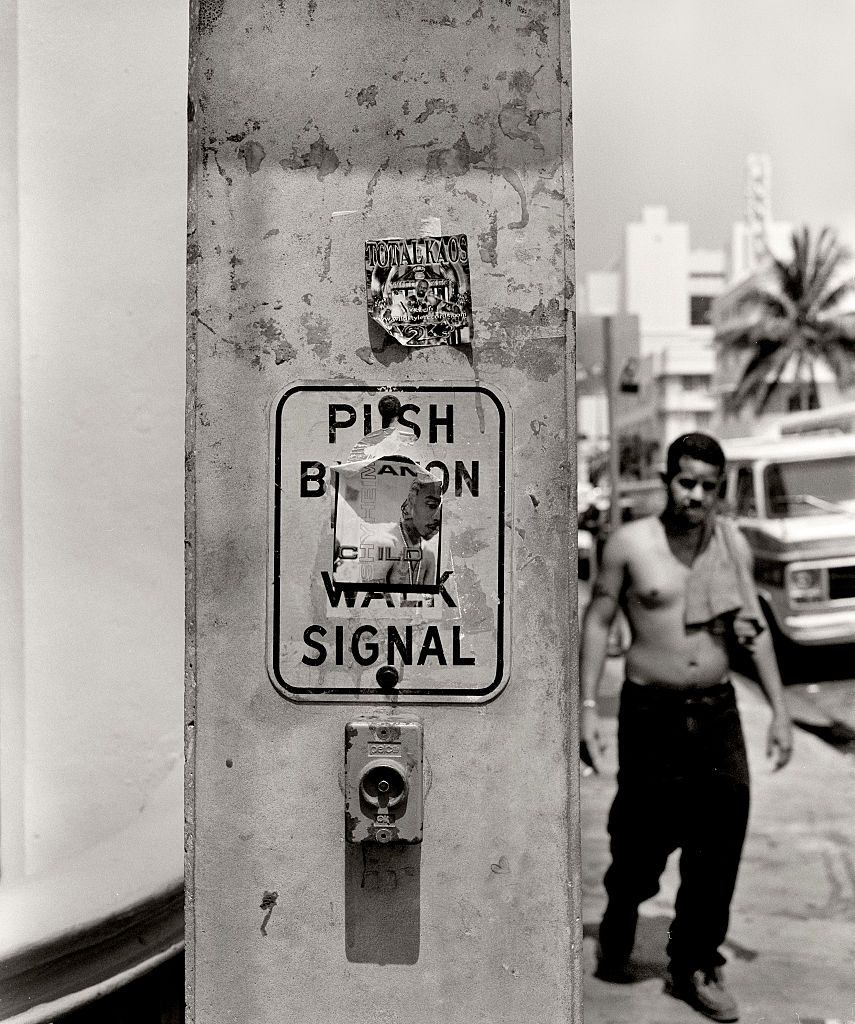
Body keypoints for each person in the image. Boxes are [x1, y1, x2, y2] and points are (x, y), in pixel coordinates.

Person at [580, 432, 793, 1023]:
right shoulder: (630, 544)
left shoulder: (730, 544)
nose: (695, 495)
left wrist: (780, 711)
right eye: (686, 482)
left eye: (707, 486)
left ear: (719, 489)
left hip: (718, 712)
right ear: (666, 479)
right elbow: (598, 620)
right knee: (640, 841)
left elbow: (753, 630)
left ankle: (693, 963)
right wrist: (588, 709)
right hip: (651, 715)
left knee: (719, 844)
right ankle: (623, 908)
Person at [334, 475, 442, 586]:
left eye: (443, 511)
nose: (438, 517)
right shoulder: (381, 544)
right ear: (411, 501)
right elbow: (372, 597)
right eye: (432, 505)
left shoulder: (428, 554)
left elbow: (431, 596)